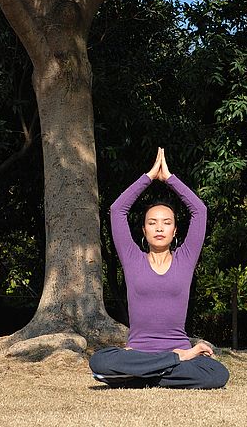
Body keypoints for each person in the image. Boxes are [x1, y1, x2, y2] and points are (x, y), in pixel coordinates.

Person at [89, 147, 230, 389]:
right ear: (143, 230)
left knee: (217, 373)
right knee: (99, 361)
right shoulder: (133, 259)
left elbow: (200, 211)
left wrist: (170, 179)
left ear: (175, 231)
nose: (159, 228)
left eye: (167, 223)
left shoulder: (185, 259)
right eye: (152, 223)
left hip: (178, 351)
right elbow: (117, 210)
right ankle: (164, 366)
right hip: (145, 354)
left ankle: (136, 376)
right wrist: (149, 177)